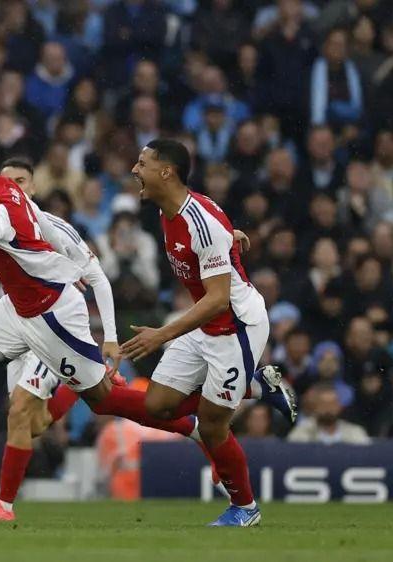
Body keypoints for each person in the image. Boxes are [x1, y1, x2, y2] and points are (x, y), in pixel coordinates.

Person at [0, 139, 204, 521]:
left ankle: (189, 420)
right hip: (16, 307)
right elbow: (9, 250)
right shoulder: (7, 193)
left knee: (102, 400)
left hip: (52, 314)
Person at [120, 139, 296, 527]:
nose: (135, 170)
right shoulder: (173, 211)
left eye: (142, 163)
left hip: (236, 327)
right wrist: (230, 240)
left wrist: (161, 335)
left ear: (167, 171)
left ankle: (245, 508)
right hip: (205, 324)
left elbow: (218, 299)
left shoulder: (199, 219)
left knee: (213, 424)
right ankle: (256, 387)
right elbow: (209, 234)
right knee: (157, 405)